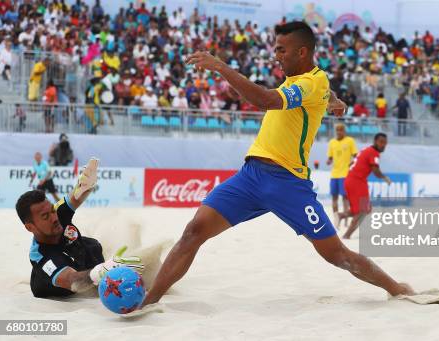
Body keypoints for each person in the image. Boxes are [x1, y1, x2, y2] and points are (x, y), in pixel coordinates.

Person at [141, 21, 414, 309]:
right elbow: (326, 94)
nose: (276, 55)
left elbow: (266, 100)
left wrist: (219, 66)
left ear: (302, 51)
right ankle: (149, 301)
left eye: (282, 50)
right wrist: (335, 102)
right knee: (194, 230)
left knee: (337, 255)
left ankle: (396, 288)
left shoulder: (310, 82)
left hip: (288, 183)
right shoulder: (302, 79)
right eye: (275, 49)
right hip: (251, 176)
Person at [16, 158, 144, 298]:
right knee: (86, 273)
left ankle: (99, 280)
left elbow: (75, 196)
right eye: (45, 217)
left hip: (75, 257)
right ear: (29, 227)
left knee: (92, 245)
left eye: (52, 210)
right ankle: (98, 277)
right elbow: (71, 280)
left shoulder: (57, 213)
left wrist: (86, 185)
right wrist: (101, 271)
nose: (54, 218)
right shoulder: (43, 258)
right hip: (62, 286)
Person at [341, 133, 392, 240]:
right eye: (381, 142)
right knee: (363, 210)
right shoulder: (374, 153)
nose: (383, 145)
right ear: (375, 141)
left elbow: (350, 164)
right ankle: (347, 235)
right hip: (356, 181)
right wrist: (385, 178)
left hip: (353, 180)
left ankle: (341, 215)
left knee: (364, 209)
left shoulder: (366, 149)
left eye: (385, 143)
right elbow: (376, 172)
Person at [326, 123, 358, 228]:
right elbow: (330, 158)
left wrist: (352, 162)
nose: (339, 132)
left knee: (345, 198)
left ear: (344, 131)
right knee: (334, 198)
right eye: (337, 130)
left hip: (345, 174)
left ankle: (345, 221)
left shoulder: (350, 141)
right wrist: (328, 161)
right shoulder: (332, 142)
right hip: (334, 174)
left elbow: (356, 156)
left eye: (341, 130)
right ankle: (336, 219)